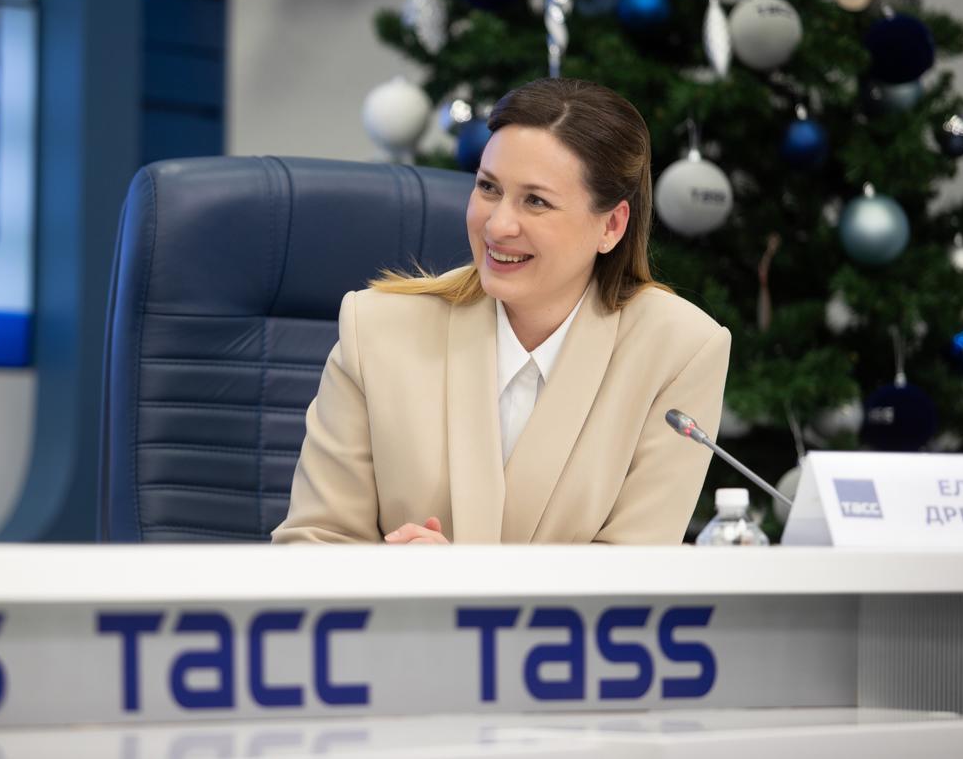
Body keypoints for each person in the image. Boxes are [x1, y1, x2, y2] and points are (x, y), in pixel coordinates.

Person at [272, 78, 731, 546]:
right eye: (488, 188)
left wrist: (462, 579)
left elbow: (635, 574)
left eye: (536, 201)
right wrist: (398, 575)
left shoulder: (680, 350)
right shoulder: (376, 328)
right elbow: (312, 542)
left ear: (611, 225)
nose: (497, 225)